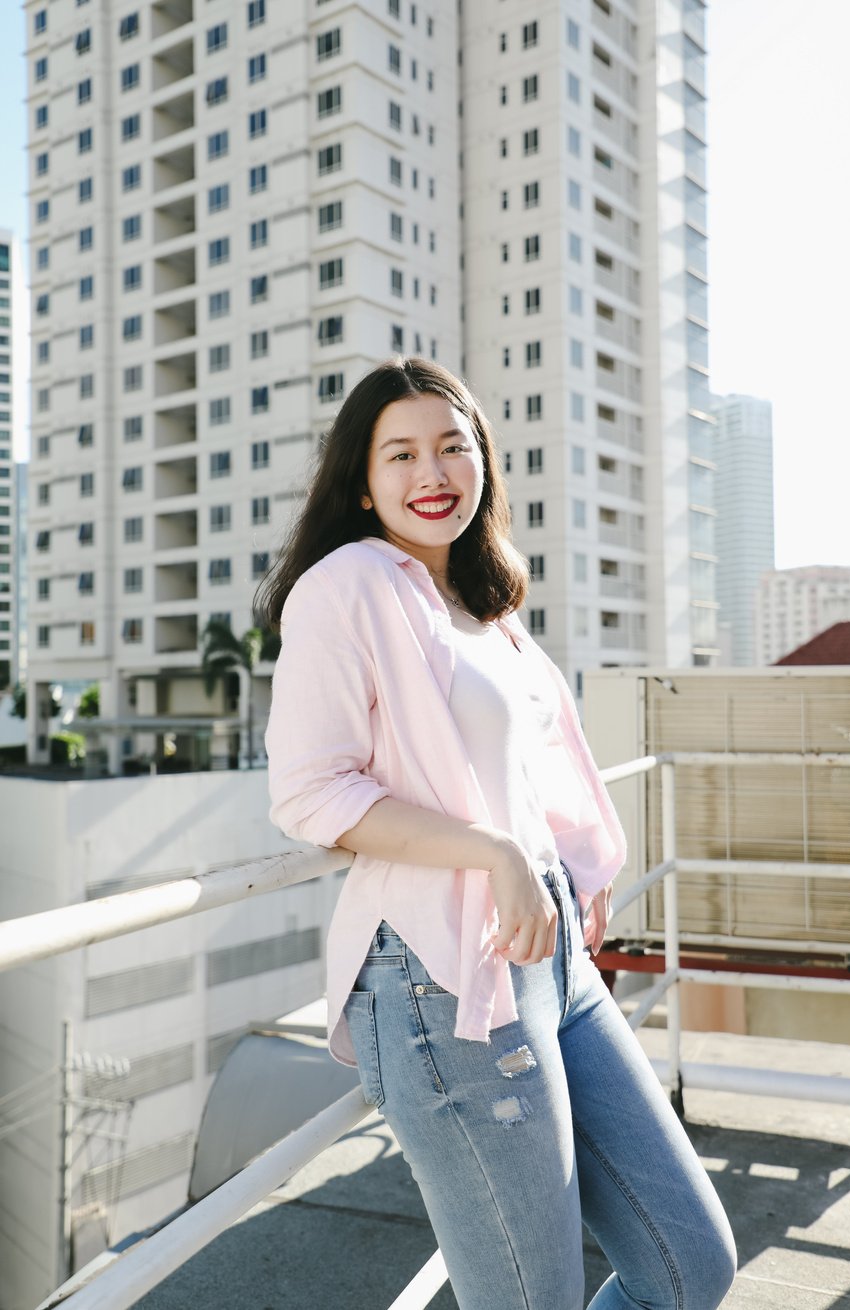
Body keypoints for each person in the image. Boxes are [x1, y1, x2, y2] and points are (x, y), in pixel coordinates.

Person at [261, 358, 736, 1309]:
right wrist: (495, 853)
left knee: (688, 1267)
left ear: (482, 462)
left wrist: (573, 860)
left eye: (452, 445)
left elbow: (535, 763)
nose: (430, 471)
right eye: (400, 453)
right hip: (439, 979)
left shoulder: (483, 605)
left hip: (551, 961)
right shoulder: (347, 585)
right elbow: (310, 793)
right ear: (363, 481)